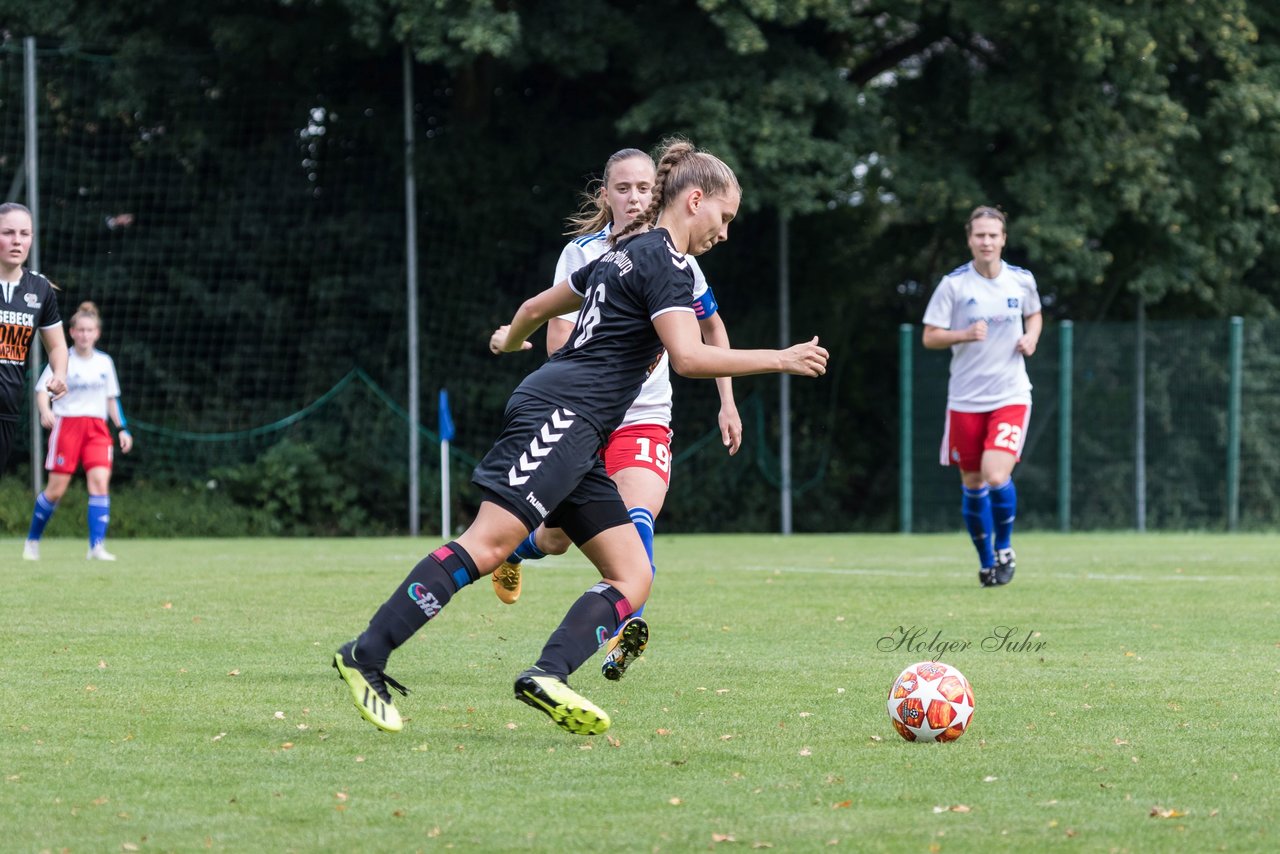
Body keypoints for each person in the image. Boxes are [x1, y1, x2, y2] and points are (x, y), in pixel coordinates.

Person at [332, 138, 828, 736]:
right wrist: (783, 358)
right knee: (487, 545)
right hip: (561, 414)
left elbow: (539, 304)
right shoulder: (665, 264)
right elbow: (691, 358)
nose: (724, 232)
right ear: (695, 200)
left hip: (581, 427)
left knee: (631, 574)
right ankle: (366, 653)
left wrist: (511, 340)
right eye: (724, 218)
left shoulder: (625, 253)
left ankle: (547, 675)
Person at [490, 147, 742, 684]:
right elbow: (555, 333)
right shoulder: (583, 255)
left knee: (638, 515)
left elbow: (711, 332)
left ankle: (629, 621)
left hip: (645, 415)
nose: (635, 198)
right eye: (623, 189)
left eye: (645, 188)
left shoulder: (682, 260)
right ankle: (520, 546)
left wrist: (727, 401)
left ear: (664, 192)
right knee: (556, 539)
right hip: (584, 414)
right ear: (606, 196)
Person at [922, 206, 1042, 587]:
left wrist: (1031, 337)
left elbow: (1035, 314)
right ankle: (987, 560)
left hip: (1010, 394)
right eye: (980, 235)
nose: (986, 241)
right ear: (969, 240)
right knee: (972, 483)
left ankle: (1004, 548)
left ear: (1004, 238)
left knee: (994, 475)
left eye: (993, 235)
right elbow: (930, 335)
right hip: (965, 400)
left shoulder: (1021, 281)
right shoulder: (955, 285)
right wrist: (962, 334)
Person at [23, 301, 133, 561]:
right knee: (56, 490)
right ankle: (32, 540)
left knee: (99, 483)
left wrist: (123, 428)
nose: (84, 335)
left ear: (97, 333)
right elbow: (41, 390)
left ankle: (96, 547)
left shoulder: (105, 363)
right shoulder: (63, 359)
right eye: (80, 330)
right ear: (71, 332)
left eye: (89, 330)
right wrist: (45, 410)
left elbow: (111, 399)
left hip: (96, 429)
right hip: (67, 426)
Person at [0, 202, 68, 477]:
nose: (17, 241)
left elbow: (58, 346)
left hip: (7, 409)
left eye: (24, 234)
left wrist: (60, 374)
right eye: (7, 232)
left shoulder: (40, 289)